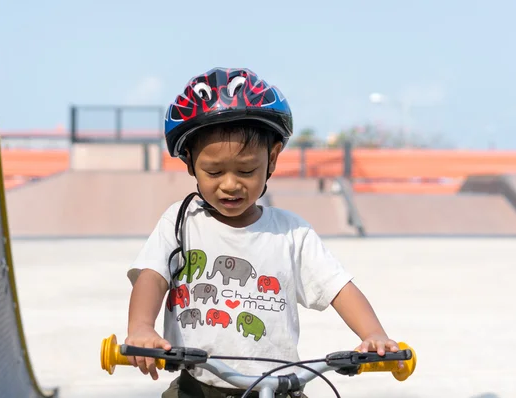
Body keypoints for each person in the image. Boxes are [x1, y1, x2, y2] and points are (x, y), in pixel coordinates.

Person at [125, 67, 401, 398]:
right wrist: (141, 328)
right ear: (189, 161)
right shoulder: (181, 221)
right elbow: (152, 277)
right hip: (198, 385)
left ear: (272, 159)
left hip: (279, 385)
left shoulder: (291, 232)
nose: (230, 184)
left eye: (246, 170)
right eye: (213, 171)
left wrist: (374, 334)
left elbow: (338, 287)